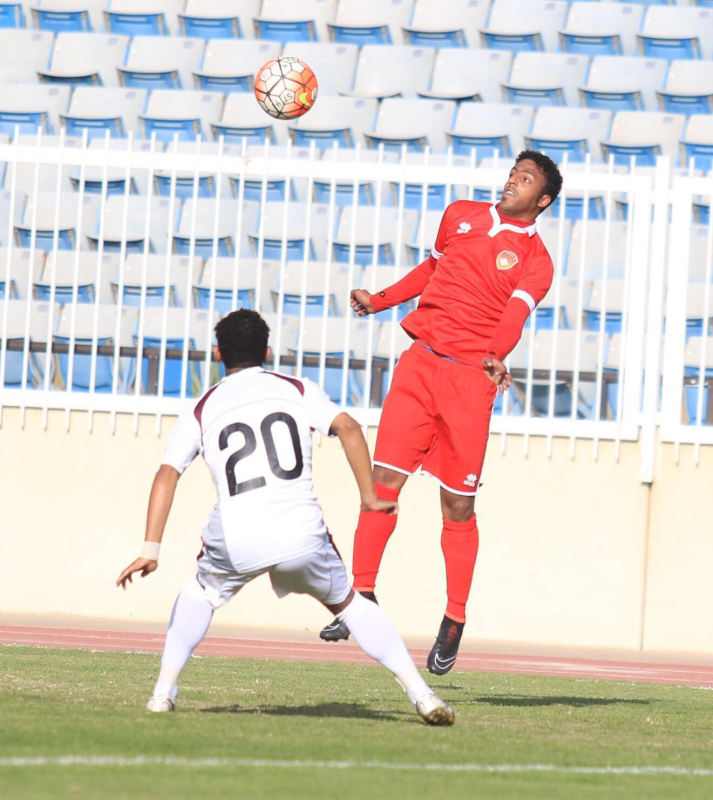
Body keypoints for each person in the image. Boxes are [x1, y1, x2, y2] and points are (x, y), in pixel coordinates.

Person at [116, 309, 454, 726]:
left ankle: (162, 694)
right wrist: (369, 497)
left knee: (200, 594)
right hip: (301, 533)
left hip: (236, 535)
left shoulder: (201, 408)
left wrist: (150, 549)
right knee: (351, 605)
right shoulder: (297, 389)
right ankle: (422, 695)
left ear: (218, 353)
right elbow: (349, 428)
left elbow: (167, 473)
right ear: (267, 351)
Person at [320, 151, 563, 675]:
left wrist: (496, 354)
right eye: (512, 173)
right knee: (381, 484)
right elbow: (432, 269)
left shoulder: (537, 261)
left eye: (524, 180)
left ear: (542, 200)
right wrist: (380, 300)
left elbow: (515, 314)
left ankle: (454, 618)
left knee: (457, 506)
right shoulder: (460, 214)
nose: (511, 182)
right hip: (420, 365)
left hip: (469, 382)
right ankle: (361, 597)